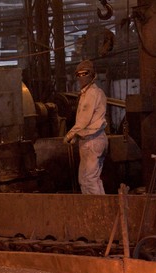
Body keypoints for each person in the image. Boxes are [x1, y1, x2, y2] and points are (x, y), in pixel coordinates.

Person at [63, 59, 108, 195]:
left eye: (85, 73)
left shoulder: (91, 94)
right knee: (86, 179)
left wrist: (69, 135)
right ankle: (97, 210)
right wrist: (76, 137)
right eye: (79, 74)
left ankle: (98, 212)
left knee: (89, 179)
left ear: (92, 74)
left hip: (92, 141)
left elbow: (83, 120)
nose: (82, 77)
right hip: (91, 139)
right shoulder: (89, 93)